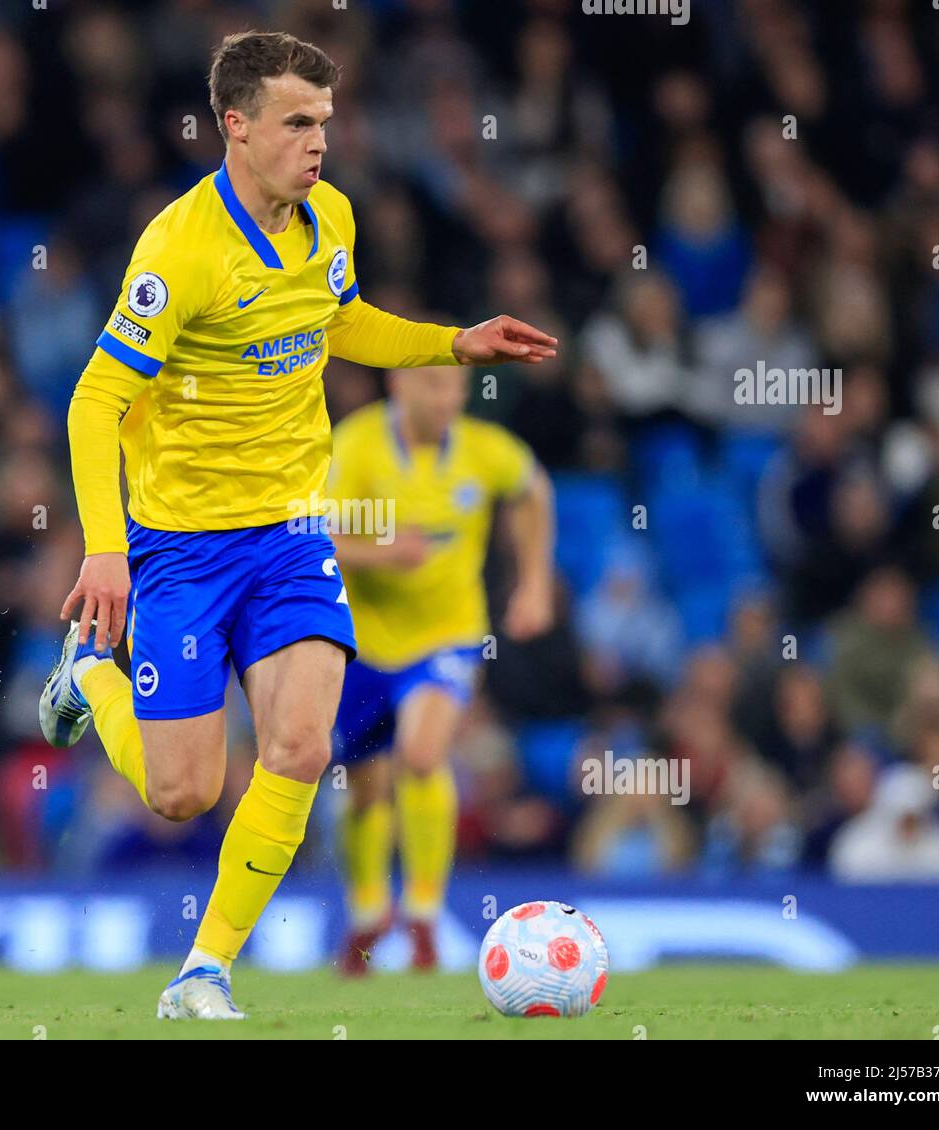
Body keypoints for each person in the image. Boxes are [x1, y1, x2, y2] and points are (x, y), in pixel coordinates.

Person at [37, 30, 556, 1020]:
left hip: (289, 535)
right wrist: (104, 548)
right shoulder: (180, 250)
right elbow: (93, 401)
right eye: (296, 123)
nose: (319, 141)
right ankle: (89, 676)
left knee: (302, 747)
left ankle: (203, 969)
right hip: (179, 547)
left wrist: (451, 342)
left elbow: (340, 318)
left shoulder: (332, 217)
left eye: (325, 121)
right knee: (182, 791)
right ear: (235, 127)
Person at [327, 365, 555, 973]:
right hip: (364, 644)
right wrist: (382, 551)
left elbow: (534, 489)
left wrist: (534, 583)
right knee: (365, 787)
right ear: (399, 385)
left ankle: (423, 914)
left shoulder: (484, 451)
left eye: (456, 386)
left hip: (448, 637)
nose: (449, 397)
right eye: (434, 384)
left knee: (423, 756)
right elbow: (306, 531)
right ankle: (368, 913)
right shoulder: (355, 444)